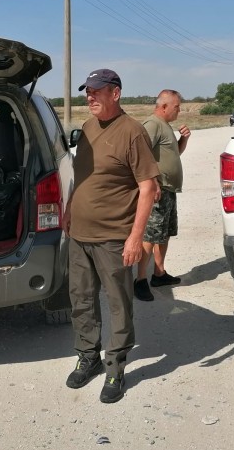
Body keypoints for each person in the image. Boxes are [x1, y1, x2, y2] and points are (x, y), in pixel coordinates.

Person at [62, 69, 159, 404]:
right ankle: (88, 357)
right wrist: (70, 207)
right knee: (81, 299)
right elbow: (82, 175)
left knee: (118, 303)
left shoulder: (132, 133)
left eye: (97, 91)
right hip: (80, 234)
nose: (90, 97)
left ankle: (115, 366)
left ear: (115, 93)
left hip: (114, 237)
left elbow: (149, 187)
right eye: (87, 91)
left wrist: (135, 238)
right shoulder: (88, 128)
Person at [134, 90, 190, 302]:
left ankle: (159, 274)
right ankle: (140, 280)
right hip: (157, 191)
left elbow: (174, 153)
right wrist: (153, 182)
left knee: (163, 233)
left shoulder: (165, 126)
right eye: (177, 107)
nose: (179, 110)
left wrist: (183, 139)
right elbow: (140, 155)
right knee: (150, 236)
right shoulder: (153, 124)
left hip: (168, 190)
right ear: (164, 106)